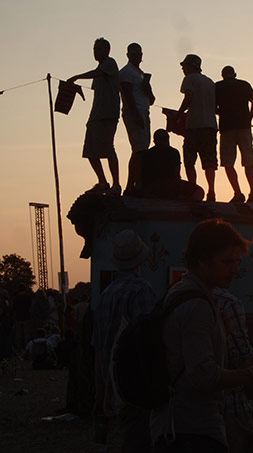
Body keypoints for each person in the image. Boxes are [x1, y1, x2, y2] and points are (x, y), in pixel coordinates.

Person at [151, 219, 253, 453]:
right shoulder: (197, 304)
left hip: (173, 424)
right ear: (202, 261)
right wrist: (250, 374)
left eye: (237, 262)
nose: (235, 269)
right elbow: (203, 374)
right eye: (227, 262)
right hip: (192, 429)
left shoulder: (180, 292)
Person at [92, 229, 156, 451]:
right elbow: (148, 343)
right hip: (137, 387)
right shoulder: (142, 290)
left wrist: (100, 395)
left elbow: (99, 350)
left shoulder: (104, 296)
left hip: (113, 387)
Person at [68, 37, 121, 196]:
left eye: (98, 49)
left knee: (108, 147)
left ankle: (116, 184)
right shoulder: (100, 69)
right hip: (96, 114)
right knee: (90, 150)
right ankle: (103, 182)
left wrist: (77, 76)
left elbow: (97, 74)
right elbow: (97, 87)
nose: (95, 52)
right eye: (94, 49)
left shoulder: (110, 63)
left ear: (107, 50)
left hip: (108, 114)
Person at [214, 287, 253, 453]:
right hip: (230, 403)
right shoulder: (228, 304)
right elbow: (242, 358)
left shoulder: (175, 292)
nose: (235, 269)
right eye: (228, 262)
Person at [177, 54, 218, 202]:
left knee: (189, 160)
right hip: (210, 125)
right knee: (209, 162)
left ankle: (193, 190)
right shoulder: (210, 82)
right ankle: (211, 191)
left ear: (191, 66)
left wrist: (179, 114)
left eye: (184, 66)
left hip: (194, 125)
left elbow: (188, 97)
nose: (182, 68)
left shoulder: (189, 79)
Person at [215, 66, 253, 203]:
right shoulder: (243, 84)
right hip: (244, 127)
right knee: (248, 162)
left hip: (227, 128)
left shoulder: (218, 86)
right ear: (235, 74)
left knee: (228, 163)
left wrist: (221, 112)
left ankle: (238, 193)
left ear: (222, 75)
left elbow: (212, 105)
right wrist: (249, 117)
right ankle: (252, 192)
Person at [119, 43, 156, 194]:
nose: (136, 56)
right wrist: (136, 116)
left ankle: (134, 184)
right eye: (133, 54)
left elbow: (152, 100)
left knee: (141, 150)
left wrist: (147, 89)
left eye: (138, 54)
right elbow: (127, 97)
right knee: (139, 149)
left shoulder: (140, 74)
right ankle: (133, 185)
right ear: (128, 55)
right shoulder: (126, 72)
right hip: (134, 112)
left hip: (144, 111)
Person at [140, 128, 204, 200]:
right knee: (199, 192)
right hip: (170, 185)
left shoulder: (147, 153)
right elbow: (177, 173)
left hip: (153, 187)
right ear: (167, 139)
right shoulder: (174, 152)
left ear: (154, 141)